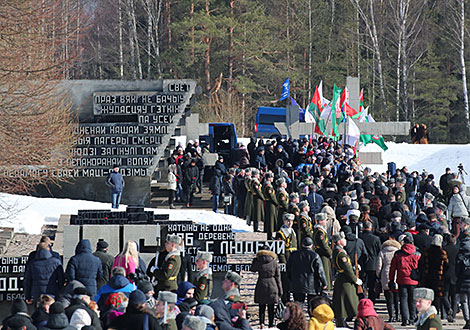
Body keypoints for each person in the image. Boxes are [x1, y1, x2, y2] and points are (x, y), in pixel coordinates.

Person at [389, 233, 420, 326]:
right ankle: (413, 317)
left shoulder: (398, 254)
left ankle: (405, 319)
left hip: (401, 279)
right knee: (412, 299)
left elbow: (392, 268)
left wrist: (391, 280)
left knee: (403, 299)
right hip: (414, 280)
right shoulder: (417, 253)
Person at [331, 232, 361, 328]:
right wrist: (355, 279)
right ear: (339, 241)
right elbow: (346, 269)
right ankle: (342, 323)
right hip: (345, 280)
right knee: (347, 303)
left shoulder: (340, 251)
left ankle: (342, 323)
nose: (345, 240)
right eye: (343, 239)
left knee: (343, 304)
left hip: (343, 279)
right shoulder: (340, 253)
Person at [287, 237, 327, 304]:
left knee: (298, 304)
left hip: (297, 283)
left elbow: (288, 269)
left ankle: (298, 314)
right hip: (312, 284)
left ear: (302, 244)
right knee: (312, 304)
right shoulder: (315, 256)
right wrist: (324, 283)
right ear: (311, 246)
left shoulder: (293, 255)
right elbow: (320, 271)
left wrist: (290, 279)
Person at [251, 245, 282, 328]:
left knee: (261, 306)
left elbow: (252, 269)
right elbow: (278, 277)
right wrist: (280, 290)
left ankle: (262, 323)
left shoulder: (258, 260)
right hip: (272, 284)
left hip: (261, 283)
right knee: (271, 307)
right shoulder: (274, 261)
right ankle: (271, 324)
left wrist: (254, 261)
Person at [419, 234, 448, 315]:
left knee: (428, 297)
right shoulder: (442, 253)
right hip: (438, 278)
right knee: (437, 297)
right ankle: (436, 314)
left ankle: (428, 313)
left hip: (427, 277)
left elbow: (421, 264)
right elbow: (446, 266)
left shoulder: (426, 251)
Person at [376, 236, 401, 322]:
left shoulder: (382, 252)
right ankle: (398, 315)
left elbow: (379, 266)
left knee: (389, 299)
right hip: (396, 274)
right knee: (397, 298)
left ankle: (391, 316)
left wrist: (379, 275)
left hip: (385, 274)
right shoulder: (397, 251)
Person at [275, 213, 297, 303]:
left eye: (291, 221)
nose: (290, 223)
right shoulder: (281, 233)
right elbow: (280, 249)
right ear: (284, 221)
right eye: (288, 221)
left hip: (293, 257)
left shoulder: (292, 231)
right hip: (286, 257)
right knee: (285, 281)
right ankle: (285, 298)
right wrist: (283, 262)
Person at [360, 221, 381, 303]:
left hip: (362, 262)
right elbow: (379, 251)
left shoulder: (360, 238)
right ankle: (372, 300)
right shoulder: (376, 238)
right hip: (373, 263)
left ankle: (362, 298)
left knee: (362, 282)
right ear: (371, 228)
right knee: (372, 284)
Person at [312, 212, 332, 290]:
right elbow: (323, 245)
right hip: (322, 253)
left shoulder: (321, 230)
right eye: (325, 220)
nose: (326, 222)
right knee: (324, 271)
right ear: (320, 221)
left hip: (323, 253)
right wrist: (330, 253)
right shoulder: (320, 232)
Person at [456, 216, 470, 329]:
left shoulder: (461, 245)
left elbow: (458, 263)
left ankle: (468, 320)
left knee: (463, 300)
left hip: (463, 275)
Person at [263, 172, 279, 240]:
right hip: (270, 204)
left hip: (269, 203)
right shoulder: (268, 186)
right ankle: (269, 235)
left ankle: (270, 234)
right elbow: (272, 196)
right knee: (270, 220)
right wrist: (276, 203)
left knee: (270, 220)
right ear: (269, 178)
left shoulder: (267, 185)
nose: (272, 179)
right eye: (271, 177)